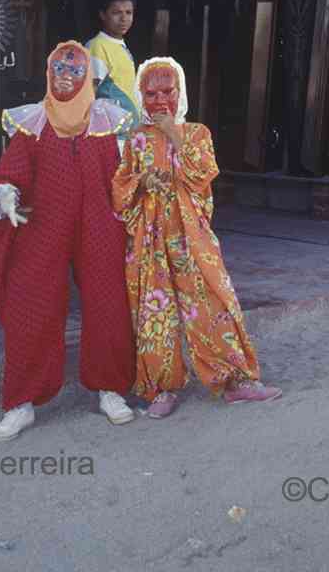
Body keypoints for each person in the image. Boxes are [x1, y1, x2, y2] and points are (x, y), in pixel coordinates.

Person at [0, 41, 136, 441]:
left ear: (88, 77)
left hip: (98, 222)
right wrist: (7, 193)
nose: (66, 77)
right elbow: (9, 172)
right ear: (48, 75)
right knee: (30, 302)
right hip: (43, 223)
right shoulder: (34, 123)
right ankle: (21, 402)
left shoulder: (105, 121)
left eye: (75, 70)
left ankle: (110, 388)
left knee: (108, 301)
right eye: (59, 70)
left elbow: (120, 177)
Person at [112, 56, 282, 418]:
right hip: (151, 240)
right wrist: (143, 181)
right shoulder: (136, 139)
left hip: (192, 238)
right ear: (140, 96)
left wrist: (173, 132)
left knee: (214, 302)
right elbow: (120, 188)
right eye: (151, 94)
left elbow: (203, 172)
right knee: (154, 312)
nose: (160, 100)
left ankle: (236, 381)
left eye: (167, 92)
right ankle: (162, 388)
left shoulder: (197, 133)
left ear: (181, 92)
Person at [86, 0, 141, 137]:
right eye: (116, 13)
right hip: (111, 137)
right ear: (103, 15)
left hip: (128, 135)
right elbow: (88, 93)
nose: (124, 19)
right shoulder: (97, 46)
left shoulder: (119, 45)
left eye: (128, 12)